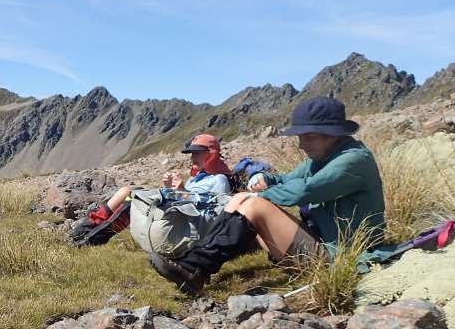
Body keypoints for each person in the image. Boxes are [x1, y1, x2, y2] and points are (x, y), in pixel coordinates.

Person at [149, 96, 385, 294]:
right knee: (239, 199)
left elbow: (305, 190)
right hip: (322, 244)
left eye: (309, 136)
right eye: (300, 137)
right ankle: (194, 266)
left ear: (332, 133)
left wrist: (261, 197)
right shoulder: (324, 156)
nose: (302, 144)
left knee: (255, 206)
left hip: (341, 258)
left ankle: (194, 270)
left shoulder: (352, 161)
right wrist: (268, 179)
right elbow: (288, 178)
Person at [71, 134, 234, 245]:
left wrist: (182, 190)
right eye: (192, 153)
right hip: (177, 214)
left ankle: (89, 241)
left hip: (186, 225)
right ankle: (81, 231)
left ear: (211, 154)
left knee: (134, 202)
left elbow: (213, 210)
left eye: (197, 153)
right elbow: (186, 199)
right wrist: (172, 190)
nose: (192, 157)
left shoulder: (219, 179)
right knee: (127, 192)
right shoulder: (197, 177)